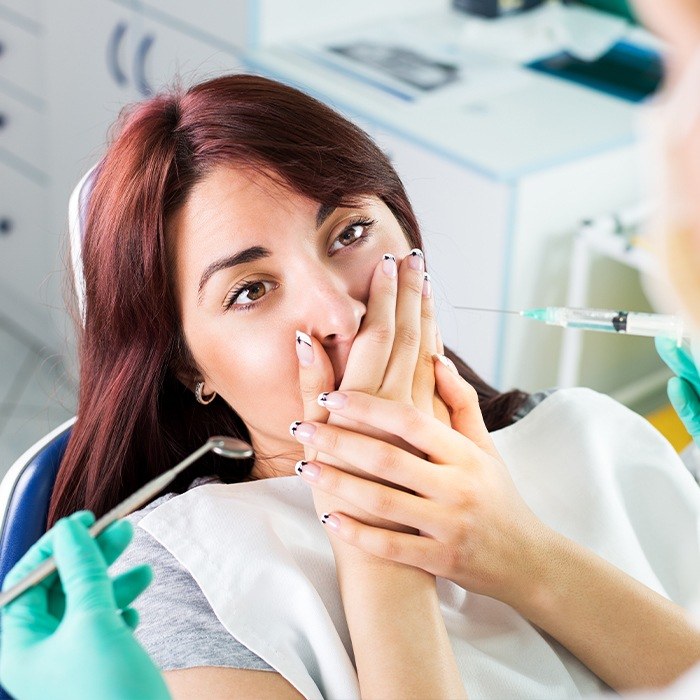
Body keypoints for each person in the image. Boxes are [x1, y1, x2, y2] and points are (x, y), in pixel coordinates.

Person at [2, 67, 700, 698]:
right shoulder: (179, 587)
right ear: (189, 366)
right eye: (251, 291)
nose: (341, 312)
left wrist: (520, 553)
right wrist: (379, 547)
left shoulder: (585, 429)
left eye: (349, 233)